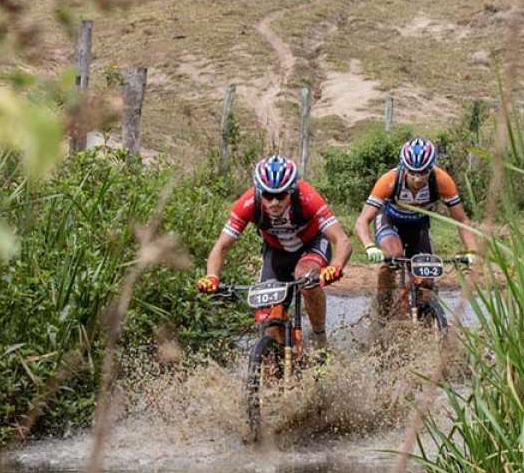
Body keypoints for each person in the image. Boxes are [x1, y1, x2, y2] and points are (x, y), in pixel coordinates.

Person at [197, 155, 352, 355]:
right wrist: (212, 276)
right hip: (276, 253)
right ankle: (274, 360)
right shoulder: (247, 204)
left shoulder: (307, 197)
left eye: (281, 195)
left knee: (304, 276)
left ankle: (319, 336)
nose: (274, 202)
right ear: (260, 192)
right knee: (269, 322)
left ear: (292, 191)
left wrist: (336, 266)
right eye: (268, 195)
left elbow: (342, 241)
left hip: (311, 246)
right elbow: (222, 246)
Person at [353, 137, 479, 318]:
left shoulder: (442, 181)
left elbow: (462, 220)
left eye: (424, 172)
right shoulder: (389, 180)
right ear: (404, 167)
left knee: (426, 279)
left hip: (418, 227)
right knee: (393, 256)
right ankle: (384, 306)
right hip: (390, 222)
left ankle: (423, 314)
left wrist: (472, 251)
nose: (418, 178)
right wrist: (369, 246)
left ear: (431, 168)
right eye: (412, 172)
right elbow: (362, 220)